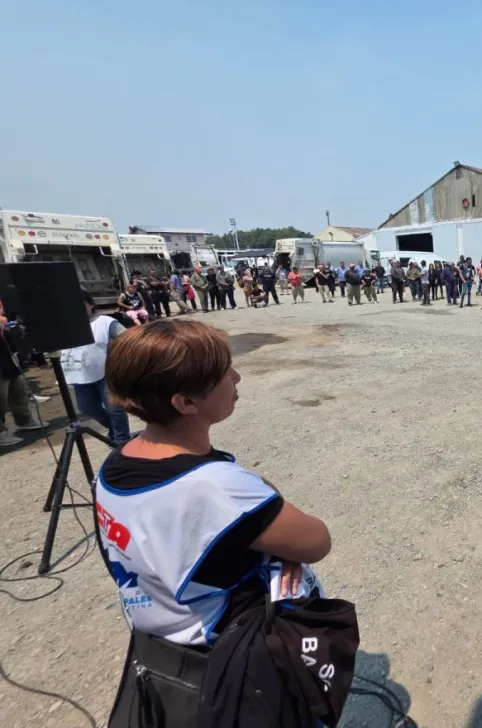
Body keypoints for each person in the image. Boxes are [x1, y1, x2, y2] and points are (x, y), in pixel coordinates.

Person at [96, 320, 334, 715]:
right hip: (232, 663)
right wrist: (281, 545)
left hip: (160, 653)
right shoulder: (215, 488)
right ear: (185, 402)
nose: (237, 377)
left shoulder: (115, 467)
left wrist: (265, 529)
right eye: (225, 372)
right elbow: (315, 541)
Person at [62, 291, 131, 444]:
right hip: (80, 374)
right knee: (87, 408)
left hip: (105, 372)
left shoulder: (105, 322)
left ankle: (121, 440)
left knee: (114, 407)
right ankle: (114, 429)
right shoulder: (66, 326)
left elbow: (128, 338)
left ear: (91, 304)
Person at [0, 302, 49, 448]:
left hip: (4, 351)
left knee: (17, 386)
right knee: (0, 395)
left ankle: (24, 420)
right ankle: (1, 433)